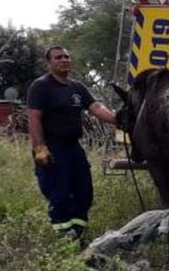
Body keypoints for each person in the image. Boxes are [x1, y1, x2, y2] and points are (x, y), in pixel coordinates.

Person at [27, 46, 117, 242]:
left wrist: (118, 119)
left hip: (73, 147)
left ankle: (76, 233)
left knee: (84, 190)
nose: (64, 60)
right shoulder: (41, 86)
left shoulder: (77, 87)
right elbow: (34, 119)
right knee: (59, 192)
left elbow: (96, 107)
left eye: (67, 56)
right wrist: (39, 149)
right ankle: (63, 237)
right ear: (48, 63)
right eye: (58, 57)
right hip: (52, 146)